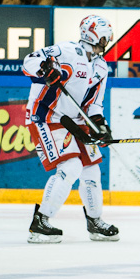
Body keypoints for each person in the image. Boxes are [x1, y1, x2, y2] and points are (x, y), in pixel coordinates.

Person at [22, 14, 118, 244]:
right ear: (93, 34)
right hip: (46, 116)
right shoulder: (67, 51)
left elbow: (94, 103)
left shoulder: (102, 67)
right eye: (104, 37)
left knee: (91, 169)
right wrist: (45, 70)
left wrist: (100, 125)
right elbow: (29, 61)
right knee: (71, 165)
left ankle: (95, 221)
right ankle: (40, 222)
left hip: (74, 120)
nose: (107, 42)